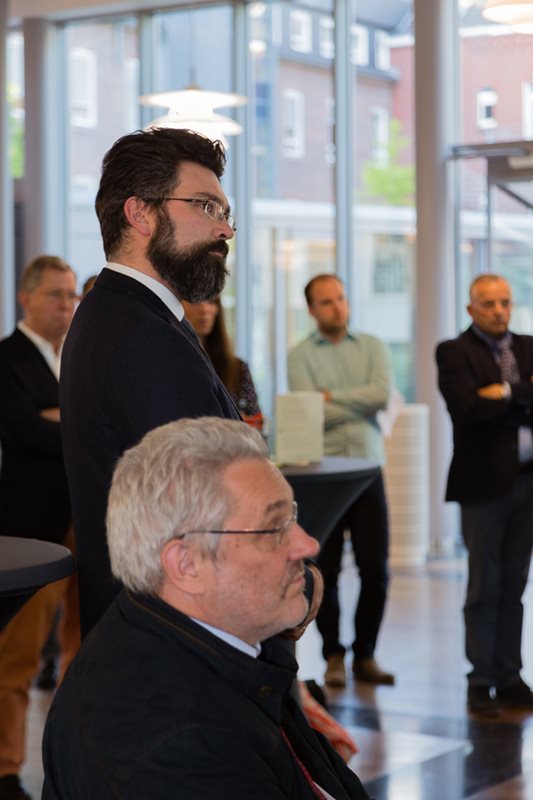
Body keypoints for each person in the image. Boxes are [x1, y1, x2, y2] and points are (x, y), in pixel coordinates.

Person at [42, 417, 371, 800]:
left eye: (292, 516)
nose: (307, 544)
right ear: (186, 565)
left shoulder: (188, 634)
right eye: (274, 528)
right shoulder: (178, 750)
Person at [60, 127, 242, 638]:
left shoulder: (118, 313)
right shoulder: (140, 334)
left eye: (225, 213)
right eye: (206, 206)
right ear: (141, 214)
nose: (225, 230)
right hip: (176, 644)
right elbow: (200, 516)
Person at [288, 274, 394, 688]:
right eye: (327, 301)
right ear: (312, 309)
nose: (338, 307)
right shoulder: (299, 355)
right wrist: (354, 402)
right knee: (324, 570)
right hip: (323, 475)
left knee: (376, 569)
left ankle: (366, 655)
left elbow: (381, 395)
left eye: (341, 298)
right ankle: (332, 654)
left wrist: (330, 399)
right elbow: (307, 409)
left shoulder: (373, 346)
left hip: (367, 471)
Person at [0, 256, 80, 800]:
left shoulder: (74, 356)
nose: (67, 305)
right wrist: (71, 422)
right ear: (26, 298)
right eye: (56, 295)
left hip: (83, 519)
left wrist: (58, 418)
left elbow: (72, 424)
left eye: (72, 295)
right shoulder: (6, 359)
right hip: (33, 527)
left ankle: (76, 756)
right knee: (18, 655)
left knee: (85, 647)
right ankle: (6, 768)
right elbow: (24, 432)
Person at [436, 273, 533, 717]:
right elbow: (466, 409)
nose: (499, 311)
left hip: (527, 482)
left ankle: (510, 677)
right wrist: (522, 400)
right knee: (483, 587)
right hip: (483, 486)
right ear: (470, 309)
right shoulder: (454, 352)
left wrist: (506, 392)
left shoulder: (528, 346)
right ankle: (480, 680)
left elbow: (489, 405)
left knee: (514, 586)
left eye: (505, 302)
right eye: (489, 304)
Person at [181, 295, 262, 424]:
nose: (205, 309)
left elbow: (256, 421)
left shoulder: (239, 368)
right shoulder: (174, 366)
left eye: (211, 301)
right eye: (196, 301)